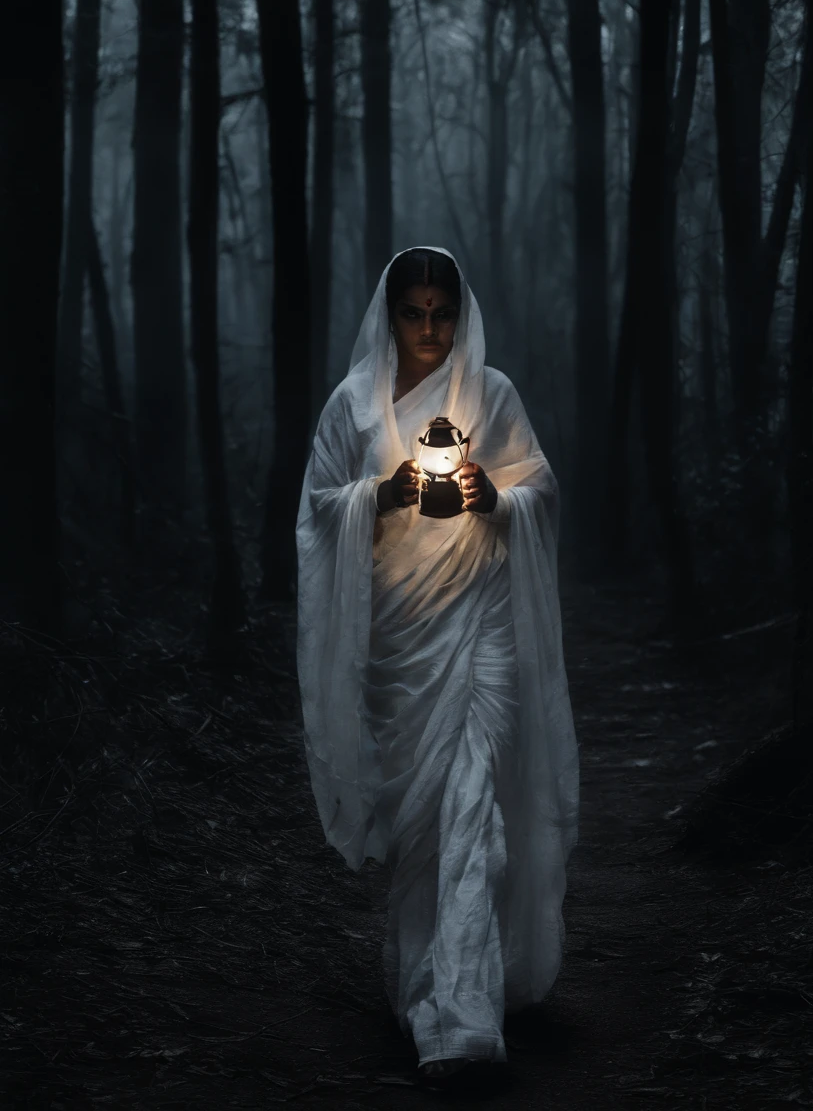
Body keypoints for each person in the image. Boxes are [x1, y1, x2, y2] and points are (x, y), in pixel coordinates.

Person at [296, 246, 579, 1092]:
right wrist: (385, 495)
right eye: (413, 313)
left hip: (483, 625)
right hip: (401, 641)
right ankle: (426, 990)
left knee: (475, 812)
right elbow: (316, 511)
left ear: (461, 316)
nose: (428, 330)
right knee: (422, 832)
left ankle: (463, 1019)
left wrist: (491, 495)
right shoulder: (351, 406)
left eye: (441, 313)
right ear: (390, 316)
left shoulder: (491, 396)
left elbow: (541, 491)